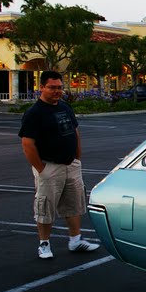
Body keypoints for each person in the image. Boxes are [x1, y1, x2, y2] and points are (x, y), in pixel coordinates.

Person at [18, 71, 99, 260]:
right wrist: (41, 169)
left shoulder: (64, 107)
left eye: (59, 87)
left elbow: (75, 131)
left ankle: (75, 240)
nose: (57, 91)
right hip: (49, 167)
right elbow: (27, 144)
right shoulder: (34, 113)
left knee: (74, 204)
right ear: (42, 88)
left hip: (71, 165)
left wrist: (76, 158)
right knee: (45, 206)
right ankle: (44, 244)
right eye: (52, 87)